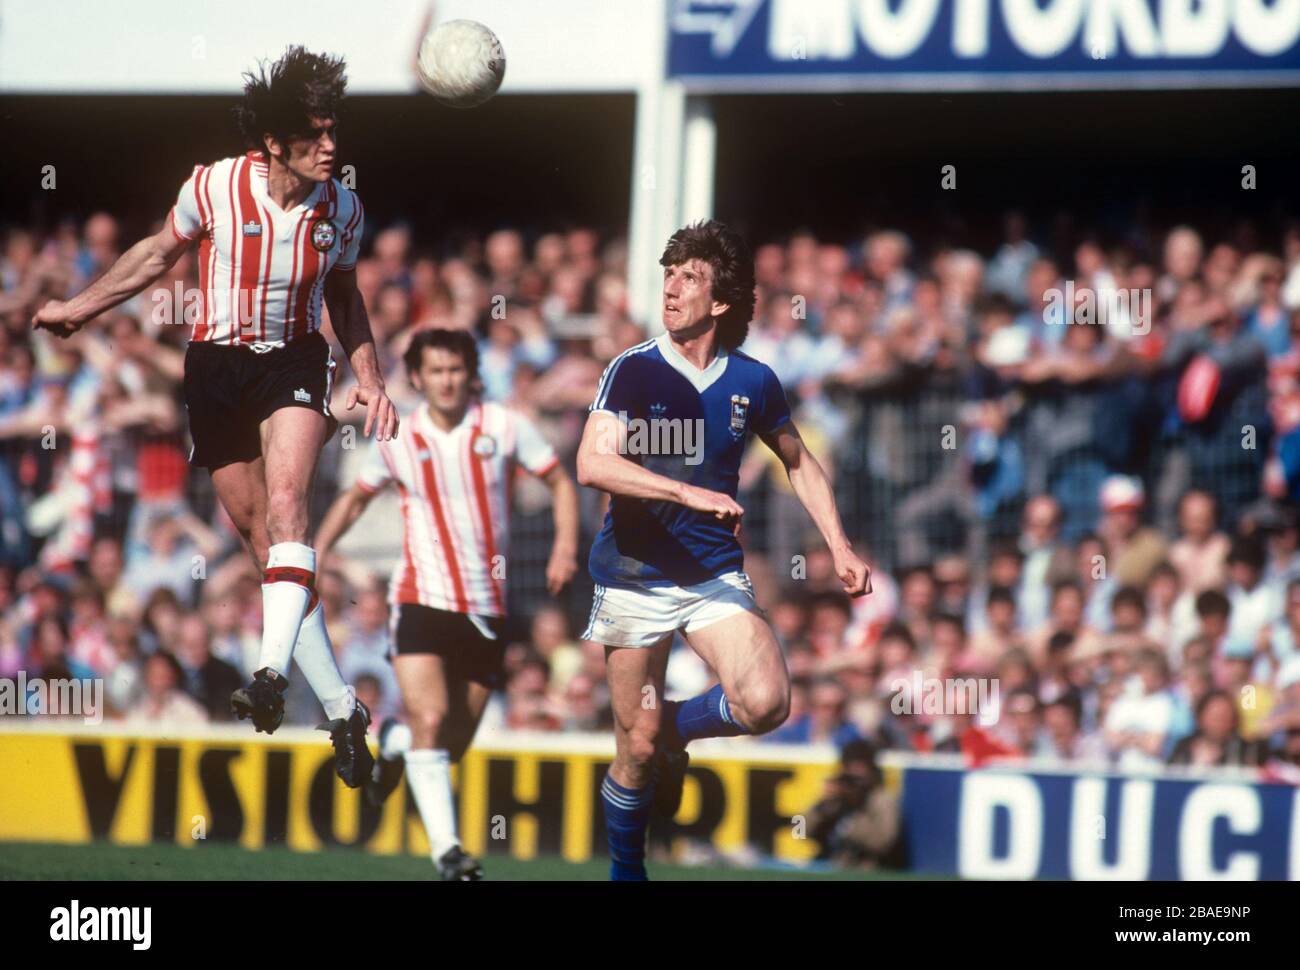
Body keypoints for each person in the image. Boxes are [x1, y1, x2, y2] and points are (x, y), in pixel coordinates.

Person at [32, 47, 398, 787]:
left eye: (335, 130)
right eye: (316, 133)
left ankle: (267, 674)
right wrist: (79, 307)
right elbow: (154, 255)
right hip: (216, 367)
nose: (332, 145)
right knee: (265, 544)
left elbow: (347, 298)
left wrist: (369, 377)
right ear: (274, 141)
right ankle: (343, 712)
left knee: (291, 507)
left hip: (293, 360)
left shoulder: (344, 209)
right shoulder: (216, 185)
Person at [575, 221, 871, 881]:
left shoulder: (755, 381)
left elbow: (799, 462)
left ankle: (677, 729)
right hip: (631, 577)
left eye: (689, 278)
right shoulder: (633, 368)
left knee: (766, 701)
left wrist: (840, 546)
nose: (672, 289)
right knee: (635, 748)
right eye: (669, 275)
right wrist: (683, 491)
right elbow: (593, 463)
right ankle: (629, 874)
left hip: (711, 574)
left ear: (721, 301)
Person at [314, 328, 579, 880]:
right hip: (419, 601)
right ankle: (449, 854)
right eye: (435, 370)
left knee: (449, 746)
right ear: (417, 378)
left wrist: (565, 546)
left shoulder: (504, 425)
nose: (447, 380)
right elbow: (355, 499)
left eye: (455, 369)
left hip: (485, 609)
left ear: (471, 372)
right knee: (431, 719)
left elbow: (558, 482)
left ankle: (392, 742)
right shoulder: (399, 437)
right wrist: (310, 557)